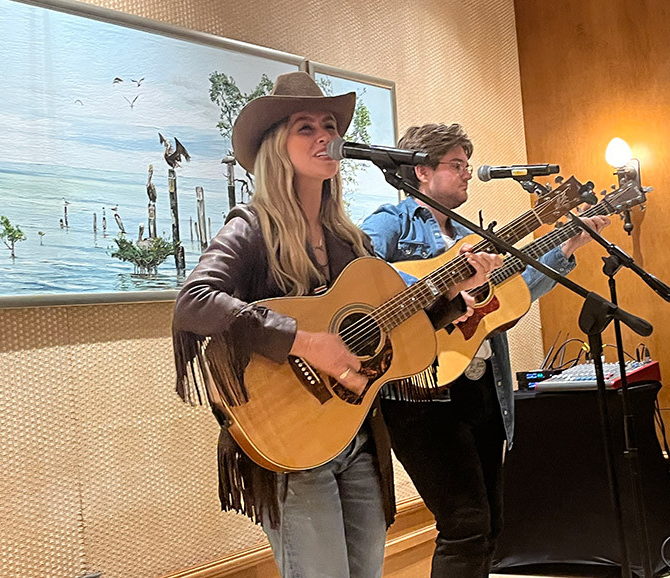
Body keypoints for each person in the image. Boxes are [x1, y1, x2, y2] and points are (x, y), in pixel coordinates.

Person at [171, 75, 500, 578]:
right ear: (276, 147)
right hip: (293, 437)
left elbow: (391, 327)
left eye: (330, 126)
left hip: (358, 434)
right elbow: (194, 302)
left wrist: (453, 294)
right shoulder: (251, 227)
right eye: (306, 127)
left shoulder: (348, 240)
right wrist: (303, 341)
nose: (325, 136)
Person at [360, 123, 610, 576]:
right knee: (465, 524)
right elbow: (360, 275)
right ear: (422, 171)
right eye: (457, 165)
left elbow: (512, 294)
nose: (467, 174)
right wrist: (443, 284)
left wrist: (565, 249)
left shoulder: (470, 235)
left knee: (492, 523)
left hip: (482, 387)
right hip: (423, 393)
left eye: (467, 165)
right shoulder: (390, 222)